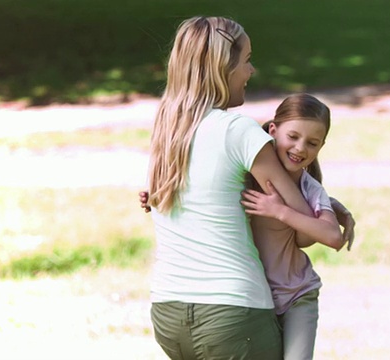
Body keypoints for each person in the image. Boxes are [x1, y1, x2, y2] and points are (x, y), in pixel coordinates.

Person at [142, 16, 355, 360]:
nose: (251, 71)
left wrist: (329, 201)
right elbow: (299, 217)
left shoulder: (169, 129)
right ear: (223, 69)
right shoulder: (238, 131)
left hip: (168, 313)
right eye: (246, 60)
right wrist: (325, 207)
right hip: (232, 315)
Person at [241, 93, 351, 360]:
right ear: (273, 130)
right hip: (253, 298)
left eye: (312, 143)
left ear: (321, 147)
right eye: (293, 137)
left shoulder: (310, 188)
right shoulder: (246, 172)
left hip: (296, 297)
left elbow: (333, 238)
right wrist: (157, 194)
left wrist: (280, 211)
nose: (301, 148)